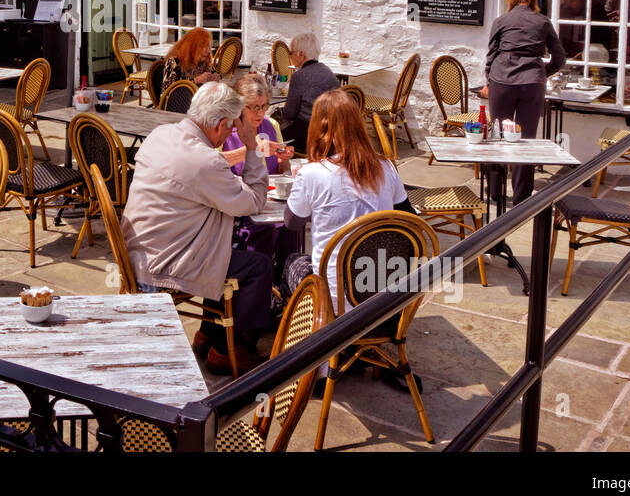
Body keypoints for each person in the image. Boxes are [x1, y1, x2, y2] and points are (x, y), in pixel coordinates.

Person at [120, 81, 270, 374]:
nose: (231, 135)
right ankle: (232, 350)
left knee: (222, 246)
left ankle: (208, 335)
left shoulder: (160, 134)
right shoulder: (205, 160)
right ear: (222, 124)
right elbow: (254, 201)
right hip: (165, 263)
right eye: (231, 130)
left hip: (139, 251)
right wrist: (251, 146)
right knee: (258, 266)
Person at [280, 89, 417, 392]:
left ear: (320, 128)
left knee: (292, 262)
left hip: (334, 300)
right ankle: (369, 345)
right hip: (382, 293)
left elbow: (291, 223)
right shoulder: (386, 167)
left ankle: (315, 358)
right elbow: (410, 219)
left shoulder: (313, 174)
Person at [485, 0, 566, 204]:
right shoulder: (543, 22)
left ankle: (495, 192)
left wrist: (489, 80)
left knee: (498, 135)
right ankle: (521, 198)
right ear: (533, 2)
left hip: (502, 80)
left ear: (511, 0)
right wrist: (542, 73)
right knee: (525, 139)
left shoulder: (501, 21)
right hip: (532, 82)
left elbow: (491, 55)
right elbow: (559, 58)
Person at [225, 74, 300, 295]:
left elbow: (281, 170)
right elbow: (213, 164)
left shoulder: (271, 125)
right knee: (265, 231)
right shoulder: (227, 129)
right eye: (253, 107)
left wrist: (284, 160)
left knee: (292, 225)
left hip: (270, 202)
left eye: (264, 106)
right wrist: (249, 150)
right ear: (240, 106)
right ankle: (259, 290)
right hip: (239, 205)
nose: (260, 113)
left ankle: (283, 287)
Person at [280, 32, 337, 152]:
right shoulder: (329, 73)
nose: (290, 56)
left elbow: (289, 114)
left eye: (291, 52)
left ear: (301, 54)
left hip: (308, 134)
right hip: (330, 134)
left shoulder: (299, 76)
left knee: (272, 136)